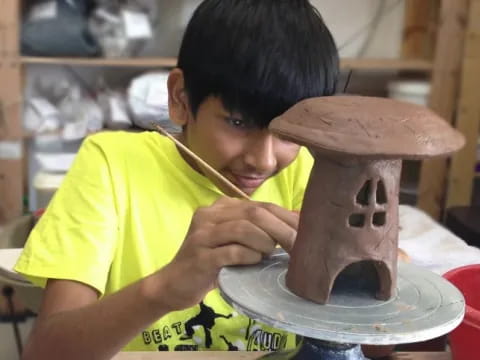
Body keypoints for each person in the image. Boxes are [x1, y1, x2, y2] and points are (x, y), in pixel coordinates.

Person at [15, 0, 339, 359]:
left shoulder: (303, 170)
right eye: (238, 122)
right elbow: (44, 353)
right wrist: (163, 289)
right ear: (180, 99)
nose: (262, 160)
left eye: (287, 132)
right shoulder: (111, 164)